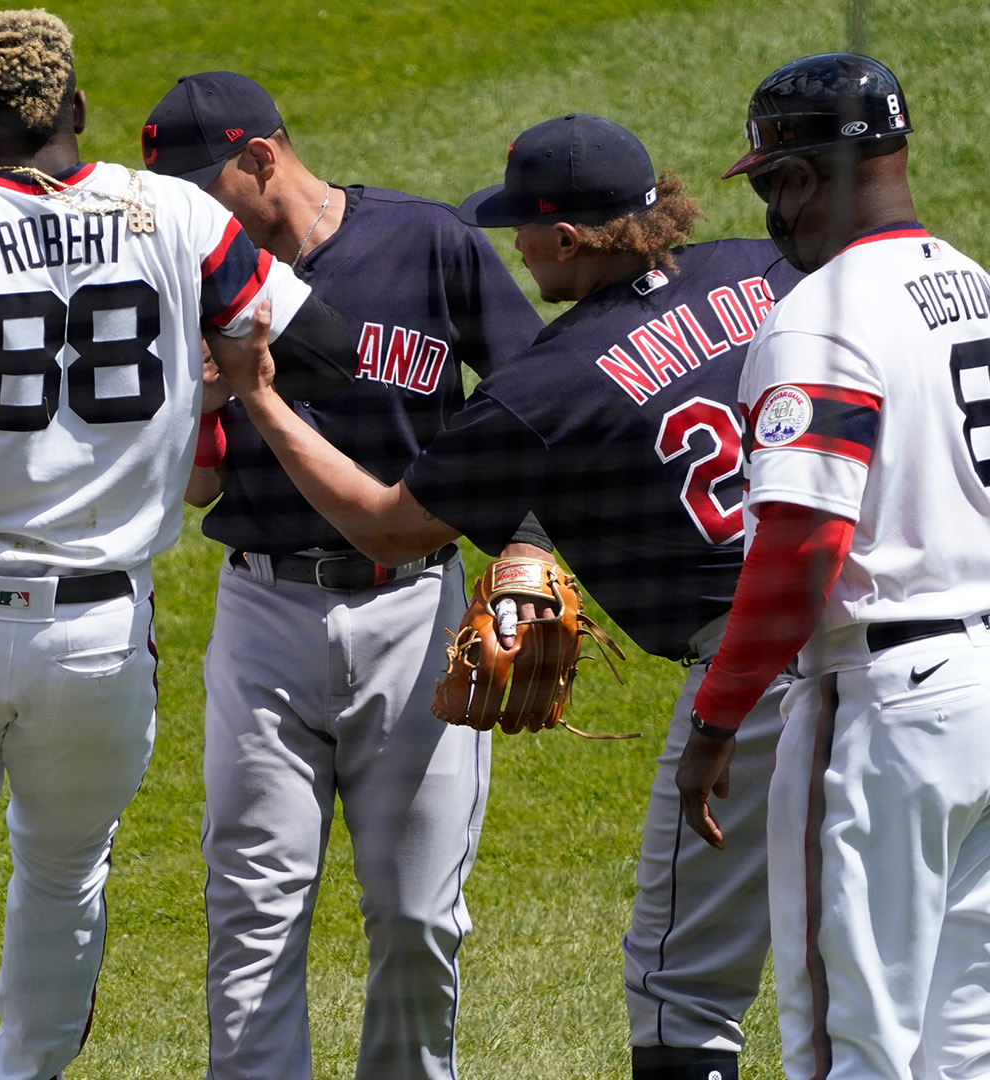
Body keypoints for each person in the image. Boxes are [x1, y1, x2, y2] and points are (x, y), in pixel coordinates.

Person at [206, 114, 803, 1080]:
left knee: (681, 994)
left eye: (523, 227)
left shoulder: (552, 381)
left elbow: (391, 525)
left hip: (748, 670)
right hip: (884, 625)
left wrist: (259, 394)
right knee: (876, 953)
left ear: (568, 240)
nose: (512, 246)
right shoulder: (758, 270)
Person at [0, 12, 367, 1080]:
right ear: (76, 111)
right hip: (99, 632)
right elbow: (328, 350)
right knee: (65, 872)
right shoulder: (173, 212)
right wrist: (206, 373)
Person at [139, 71, 547, 1080]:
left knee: (416, 916)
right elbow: (196, 488)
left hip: (412, 611)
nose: (189, 215)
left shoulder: (427, 243)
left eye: (204, 188)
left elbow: (540, 404)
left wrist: (527, 546)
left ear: (263, 157)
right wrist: (193, 396)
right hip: (263, 612)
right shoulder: (192, 280)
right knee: (252, 912)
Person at [676, 54, 990, 1080]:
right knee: (964, 1036)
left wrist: (717, 718)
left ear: (803, 181)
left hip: (886, 708)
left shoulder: (820, 315)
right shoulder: (973, 286)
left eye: (771, 183)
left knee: (851, 1042)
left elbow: (805, 544)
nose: (772, 209)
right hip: (983, 686)